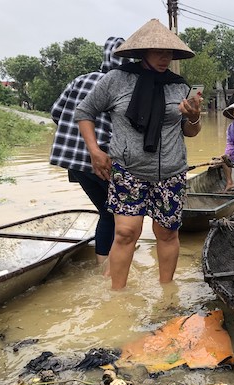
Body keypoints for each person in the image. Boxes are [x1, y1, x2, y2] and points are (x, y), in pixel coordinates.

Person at [74, 19, 202, 290]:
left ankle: (167, 292)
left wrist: (194, 117)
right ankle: (117, 296)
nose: (164, 58)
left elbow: (190, 132)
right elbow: (84, 113)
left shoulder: (179, 86)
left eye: (169, 53)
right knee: (124, 233)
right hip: (128, 171)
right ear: (142, 52)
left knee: (166, 233)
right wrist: (95, 151)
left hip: (171, 173)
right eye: (158, 52)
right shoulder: (116, 80)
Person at [49, 36, 130, 272]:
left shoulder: (80, 80)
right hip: (102, 160)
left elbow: (56, 112)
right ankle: (110, 268)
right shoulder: (124, 85)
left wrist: (76, 140)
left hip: (73, 160)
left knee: (107, 211)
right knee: (118, 213)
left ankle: (104, 265)